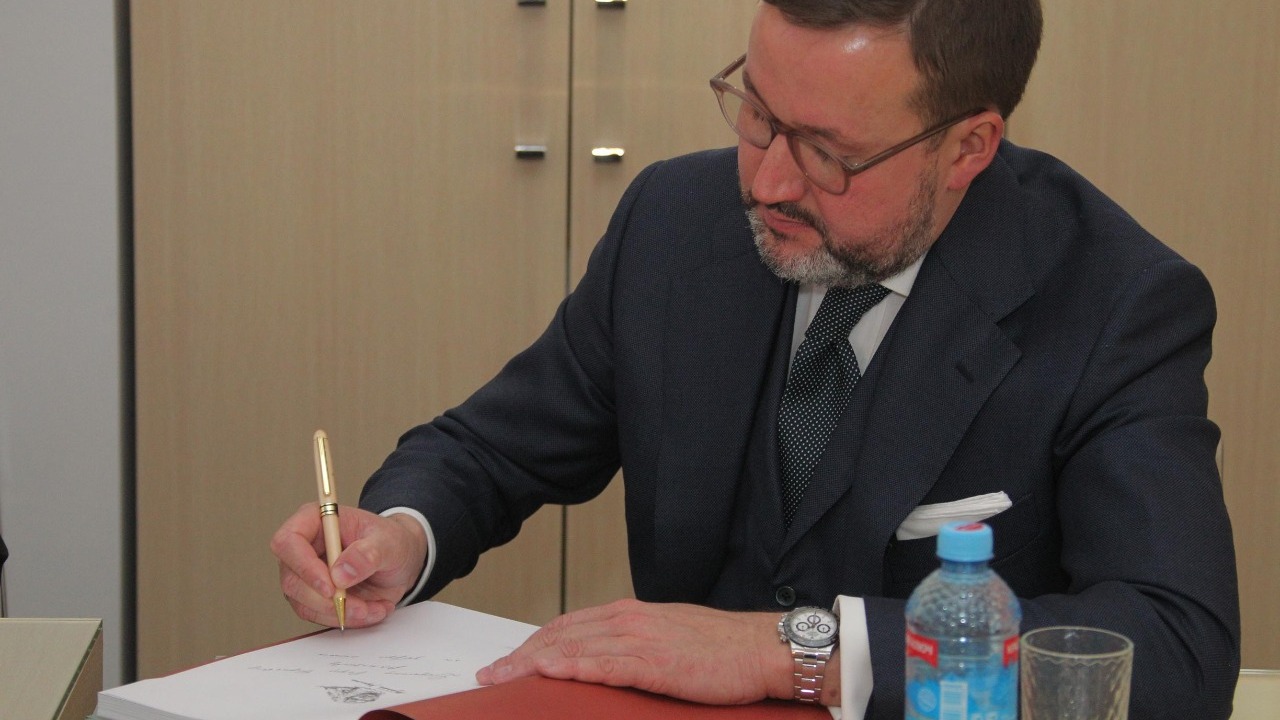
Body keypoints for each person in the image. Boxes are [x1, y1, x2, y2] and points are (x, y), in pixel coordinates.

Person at [271, 1, 1241, 718]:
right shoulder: (673, 221)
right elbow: (493, 449)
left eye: (828, 153)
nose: (768, 181)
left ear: (967, 148)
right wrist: (399, 537)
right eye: (758, 115)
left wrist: (792, 653)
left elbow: (1174, 644)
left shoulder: (1114, 303)